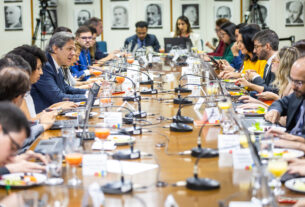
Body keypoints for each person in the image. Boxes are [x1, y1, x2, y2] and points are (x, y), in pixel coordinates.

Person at [8, 45, 78, 120]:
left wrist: (53, 107)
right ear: (25, 69)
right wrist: (58, 109)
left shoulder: (26, 90)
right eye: (38, 68)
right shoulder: (16, 94)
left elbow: (33, 117)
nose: (41, 72)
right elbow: (29, 123)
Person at [31, 31, 87, 113]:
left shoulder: (55, 63)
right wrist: (87, 96)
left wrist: (88, 92)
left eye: (74, 49)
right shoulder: (45, 66)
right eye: (69, 49)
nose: (73, 53)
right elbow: (57, 97)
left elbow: (66, 88)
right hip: (44, 117)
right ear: (55, 49)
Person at [265, 57, 305, 137]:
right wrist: (275, 110)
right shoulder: (298, 95)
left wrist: (296, 141)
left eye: (299, 82)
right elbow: (281, 103)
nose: (293, 86)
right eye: (292, 80)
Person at [237, 29, 279, 93]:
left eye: (256, 47)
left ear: (267, 46)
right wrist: (251, 79)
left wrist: (255, 77)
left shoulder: (277, 63)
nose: (254, 50)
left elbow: (271, 92)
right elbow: (266, 87)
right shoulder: (268, 62)